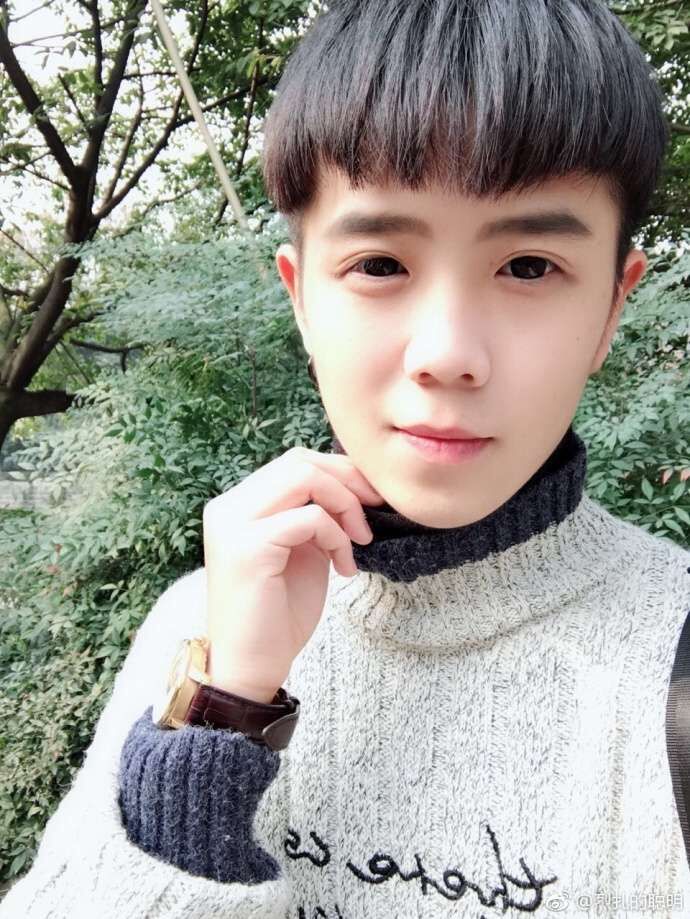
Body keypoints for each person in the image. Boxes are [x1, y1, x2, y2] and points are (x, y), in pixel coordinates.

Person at [3, 1, 690, 917]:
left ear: (610, 307)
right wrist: (221, 707)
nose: (447, 353)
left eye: (528, 266)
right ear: (301, 299)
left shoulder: (671, 667)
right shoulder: (200, 627)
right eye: (379, 264)